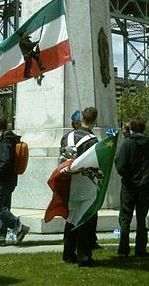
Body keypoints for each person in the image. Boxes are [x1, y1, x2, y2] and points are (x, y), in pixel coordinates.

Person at [62, 106, 99, 267]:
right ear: (94, 121)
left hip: (68, 182)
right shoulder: (92, 141)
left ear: (81, 118)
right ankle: (84, 256)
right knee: (84, 220)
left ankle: (68, 254)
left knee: (71, 219)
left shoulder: (66, 137)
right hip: (85, 183)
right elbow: (95, 165)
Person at [115, 117, 149, 258]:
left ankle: (123, 249)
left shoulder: (127, 144)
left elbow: (120, 165)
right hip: (144, 186)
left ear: (131, 128)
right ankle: (140, 250)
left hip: (128, 185)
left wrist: (127, 175)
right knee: (141, 219)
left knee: (125, 219)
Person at [0, 118, 29, 247]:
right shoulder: (8, 140)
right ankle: (0, 237)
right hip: (9, 179)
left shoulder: (5, 142)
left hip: (2, 180)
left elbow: (4, 162)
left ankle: (19, 227)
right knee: (4, 208)